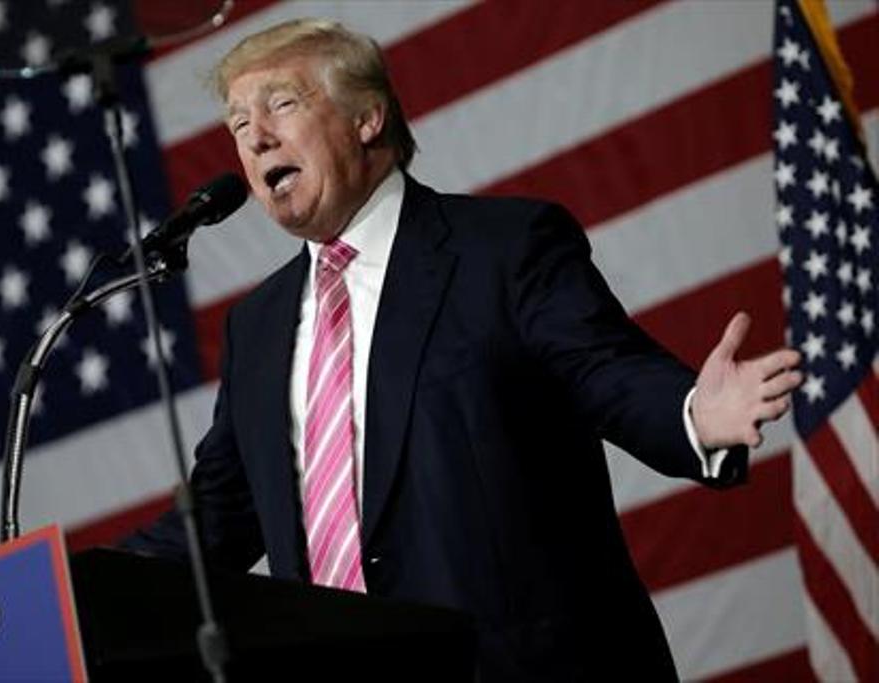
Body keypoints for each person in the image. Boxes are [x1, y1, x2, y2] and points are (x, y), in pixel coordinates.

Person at [127, 18, 803, 680]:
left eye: (281, 104)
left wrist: (692, 414)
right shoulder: (259, 326)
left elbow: (606, 370)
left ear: (368, 118)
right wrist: (72, 593)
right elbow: (218, 513)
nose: (256, 137)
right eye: (239, 126)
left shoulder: (502, 249)